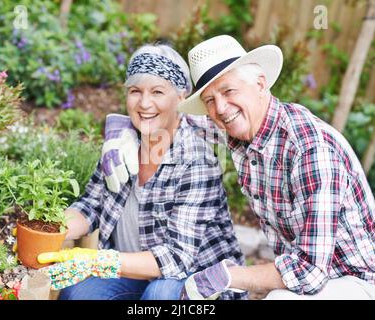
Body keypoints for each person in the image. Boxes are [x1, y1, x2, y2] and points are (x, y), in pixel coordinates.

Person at [99, 35, 375, 300]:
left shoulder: (309, 150)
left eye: (228, 90)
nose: (220, 108)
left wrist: (226, 276)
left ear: (260, 84)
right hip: (311, 277)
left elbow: (310, 271)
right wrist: (120, 130)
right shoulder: (237, 128)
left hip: (356, 280)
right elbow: (168, 119)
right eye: (209, 100)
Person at [37, 43, 246, 300]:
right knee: (78, 293)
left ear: (181, 98)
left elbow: (177, 259)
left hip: (198, 283)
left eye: (157, 91)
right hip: (135, 276)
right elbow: (91, 206)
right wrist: (48, 230)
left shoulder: (197, 161)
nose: (144, 103)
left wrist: (98, 260)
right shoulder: (121, 144)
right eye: (135, 91)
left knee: (161, 295)